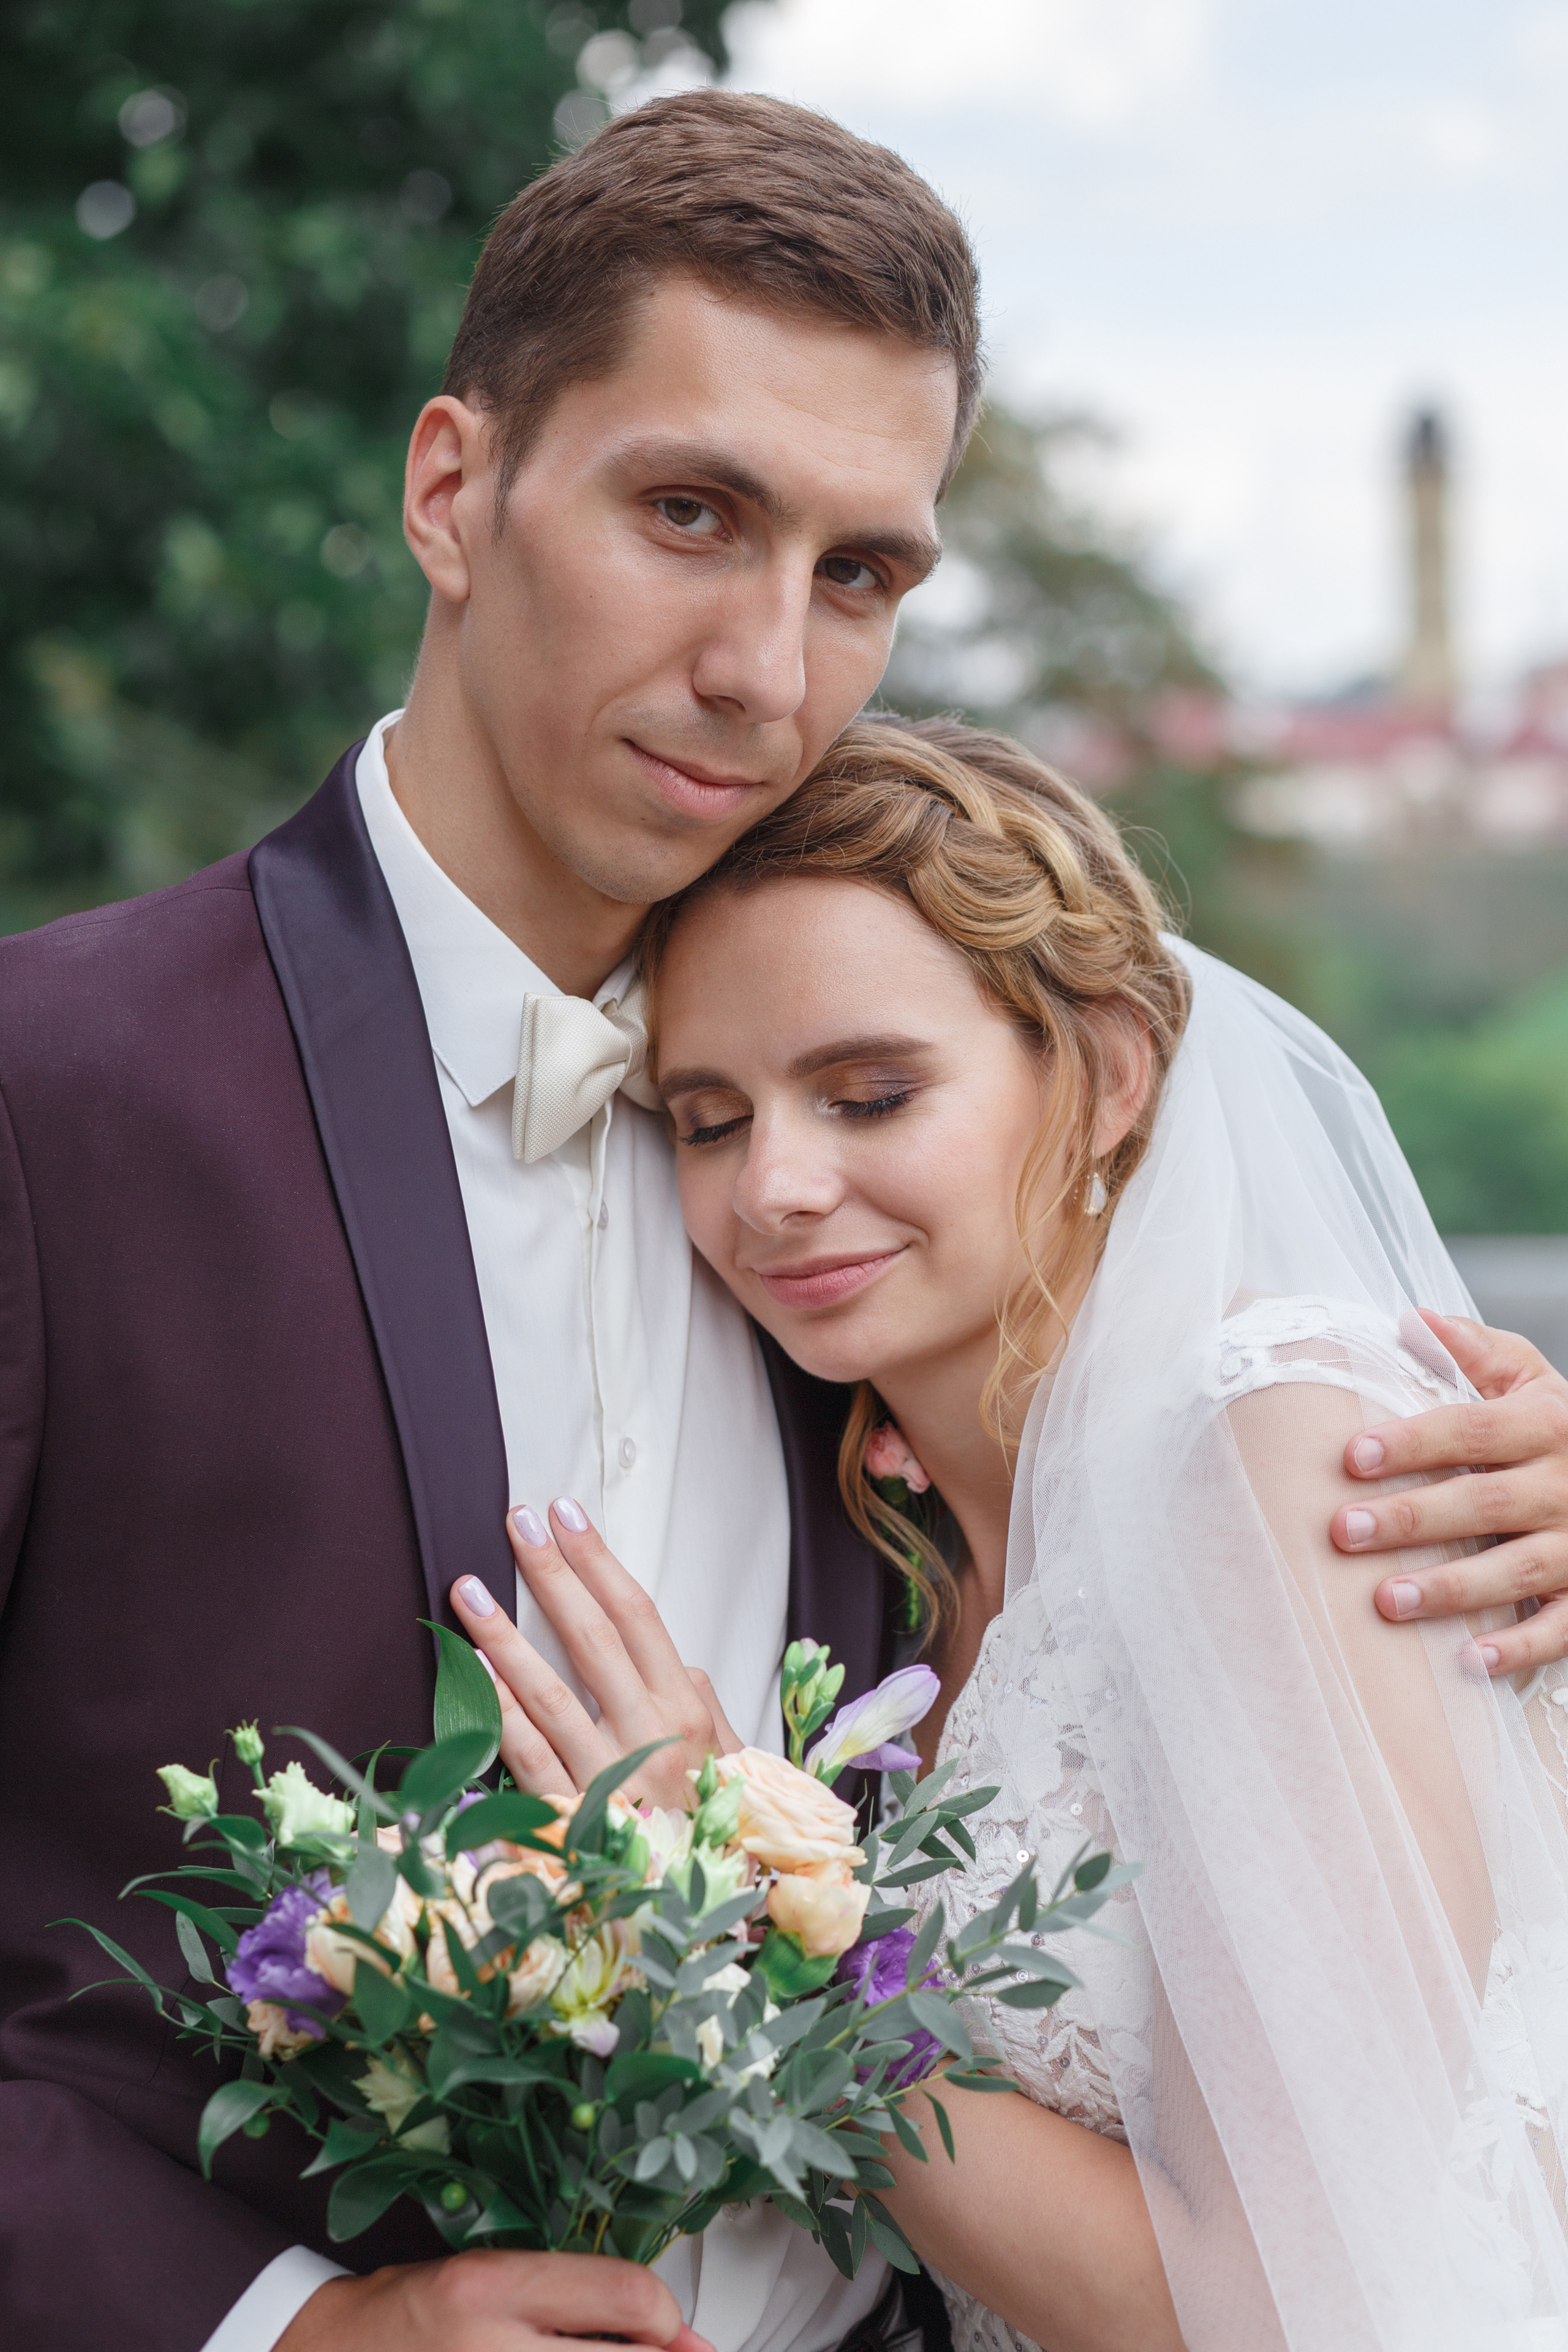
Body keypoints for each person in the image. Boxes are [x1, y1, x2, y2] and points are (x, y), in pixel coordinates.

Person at [1, 85, 1563, 2352]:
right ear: (450, 491)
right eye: (689, 514)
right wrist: (289, 2332)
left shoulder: (904, 1237)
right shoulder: (57, 1098)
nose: (767, 667)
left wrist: (1509, 1527)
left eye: (860, 576)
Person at [454, 715, 1568, 2350]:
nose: (775, 1188)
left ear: (1109, 1075)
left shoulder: (1278, 1456)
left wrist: (740, 1924)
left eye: (869, 1094)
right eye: (709, 1119)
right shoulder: (886, 1520)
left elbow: (1294, 2308)